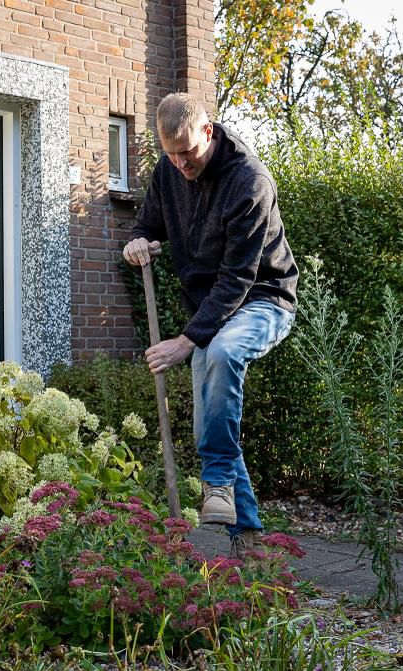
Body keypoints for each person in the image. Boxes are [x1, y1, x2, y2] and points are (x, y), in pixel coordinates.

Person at [122, 93, 298, 559]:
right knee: (211, 418)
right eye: (171, 153)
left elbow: (238, 276)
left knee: (219, 355)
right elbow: (147, 222)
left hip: (263, 298)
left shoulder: (250, 181)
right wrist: (137, 242)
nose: (181, 163)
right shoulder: (168, 170)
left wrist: (186, 341)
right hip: (212, 314)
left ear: (208, 132)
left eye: (189, 153)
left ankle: (216, 480)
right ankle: (251, 539)